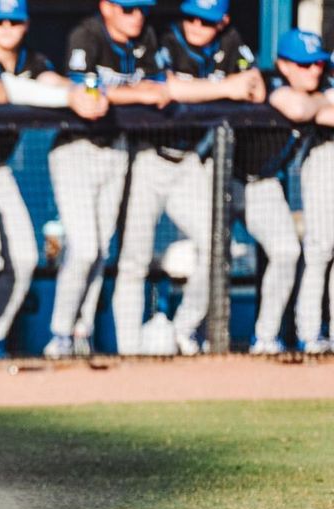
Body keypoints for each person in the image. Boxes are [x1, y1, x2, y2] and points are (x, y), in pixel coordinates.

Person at [0, 0, 109, 360]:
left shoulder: (31, 61)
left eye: (14, 22)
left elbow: (53, 81)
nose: (6, 28)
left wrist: (75, 93)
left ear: (25, 25)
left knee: (25, 256)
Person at [112, 0, 263, 356]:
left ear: (223, 21)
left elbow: (256, 86)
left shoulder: (231, 43)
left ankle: (183, 329)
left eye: (206, 21)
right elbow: (167, 89)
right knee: (134, 259)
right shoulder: (162, 41)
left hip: (190, 162)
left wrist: (234, 83)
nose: (196, 25)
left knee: (218, 248)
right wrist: (227, 88)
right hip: (150, 158)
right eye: (191, 17)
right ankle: (128, 351)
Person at [45, 0, 167, 358]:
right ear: (107, 7)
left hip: (116, 150)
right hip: (76, 149)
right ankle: (59, 333)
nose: (137, 16)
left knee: (99, 250)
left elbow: (157, 89)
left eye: (141, 9)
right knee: (83, 248)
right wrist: (135, 93)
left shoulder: (145, 37)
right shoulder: (87, 34)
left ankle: (82, 331)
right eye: (128, 9)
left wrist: (136, 93)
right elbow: (87, 94)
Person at [269, 30, 334, 354]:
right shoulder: (277, 85)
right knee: (319, 249)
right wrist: (323, 102)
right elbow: (299, 108)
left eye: (318, 64)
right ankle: (309, 334)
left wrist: (318, 103)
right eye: (305, 65)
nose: (314, 71)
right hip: (322, 158)